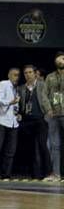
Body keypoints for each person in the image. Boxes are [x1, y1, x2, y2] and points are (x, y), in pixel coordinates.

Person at [18, 64, 52, 179]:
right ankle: (35, 174)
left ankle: (48, 172)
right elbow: (20, 104)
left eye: (30, 72)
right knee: (31, 148)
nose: (28, 75)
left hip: (40, 119)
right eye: (26, 73)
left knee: (43, 145)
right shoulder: (21, 88)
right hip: (27, 121)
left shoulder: (42, 85)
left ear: (35, 73)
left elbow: (48, 99)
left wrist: (49, 111)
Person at [0, 68, 20, 179]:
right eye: (14, 75)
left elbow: (16, 105)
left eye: (17, 75)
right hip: (1, 120)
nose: (16, 77)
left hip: (13, 122)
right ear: (9, 75)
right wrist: (11, 102)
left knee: (10, 151)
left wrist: (18, 114)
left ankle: (6, 174)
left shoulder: (16, 89)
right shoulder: (3, 84)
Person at [43, 52, 64, 181]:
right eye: (59, 59)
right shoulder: (50, 77)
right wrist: (48, 109)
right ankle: (56, 173)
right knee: (54, 145)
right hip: (54, 113)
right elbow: (44, 94)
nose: (61, 61)